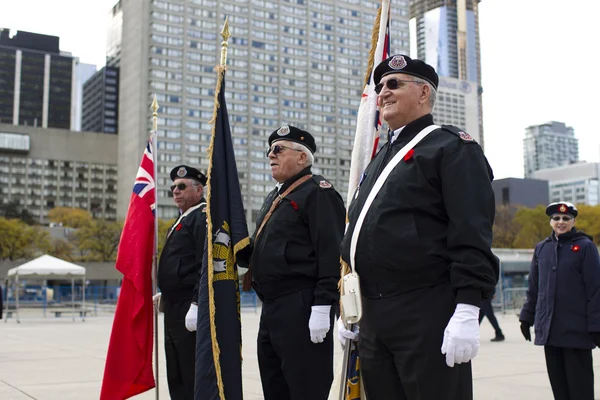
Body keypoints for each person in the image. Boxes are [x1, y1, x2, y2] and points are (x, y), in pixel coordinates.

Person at [338, 54, 499, 400]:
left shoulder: (450, 146)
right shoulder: (380, 158)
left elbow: (471, 230)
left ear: (424, 92)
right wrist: (349, 308)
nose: (383, 93)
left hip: (425, 308)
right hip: (373, 313)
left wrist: (469, 306)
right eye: (380, 87)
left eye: (394, 84)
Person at [238, 125, 346, 400]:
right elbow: (262, 250)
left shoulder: (318, 192)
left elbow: (331, 252)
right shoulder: (275, 196)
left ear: (302, 157)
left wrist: (323, 305)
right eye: (269, 151)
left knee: (305, 388)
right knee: (275, 388)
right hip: (272, 307)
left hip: (302, 305)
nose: (270, 155)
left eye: (278, 149)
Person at [519, 202, 600, 400]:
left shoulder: (585, 247)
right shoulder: (542, 249)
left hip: (576, 333)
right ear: (550, 221)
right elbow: (534, 288)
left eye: (566, 218)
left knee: (580, 391)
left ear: (573, 221)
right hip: (551, 332)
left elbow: (596, 290)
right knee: (560, 391)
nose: (561, 222)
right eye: (556, 218)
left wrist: (596, 326)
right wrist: (526, 318)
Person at [156, 165, 207, 399]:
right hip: (174, 308)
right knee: (175, 371)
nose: (175, 191)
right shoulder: (180, 220)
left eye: (182, 186)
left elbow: (205, 264)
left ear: (198, 191)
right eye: (173, 187)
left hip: (190, 307)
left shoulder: (202, 216)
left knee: (190, 372)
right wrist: (164, 293)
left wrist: (197, 303)